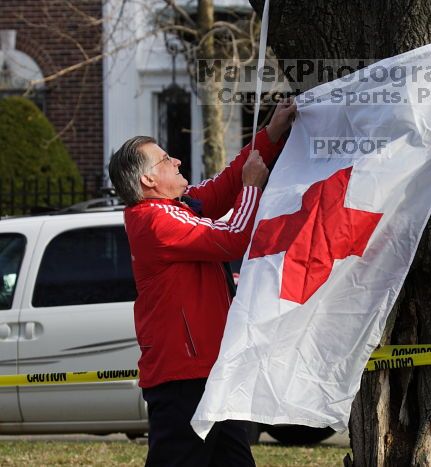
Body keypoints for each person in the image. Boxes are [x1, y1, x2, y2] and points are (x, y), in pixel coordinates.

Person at [108, 100, 296, 466]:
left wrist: (271, 134)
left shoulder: (178, 207)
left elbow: (224, 185)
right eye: (165, 160)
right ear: (148, 180)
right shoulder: (154, 219)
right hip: (183, 377)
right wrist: (253, 188)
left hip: (211, 369)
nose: (176, 161)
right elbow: (233, 235)